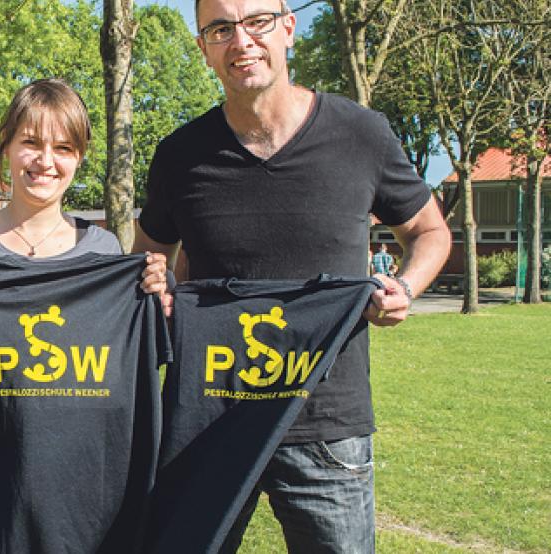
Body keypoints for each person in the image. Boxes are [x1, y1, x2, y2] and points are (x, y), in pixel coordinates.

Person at [132, 0, 451, 552]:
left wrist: (406, 288)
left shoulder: (361, 133)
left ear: (287, 29)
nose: (242, 42)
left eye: (256, 22)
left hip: (327, 424)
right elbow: (149, 262)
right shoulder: (180, 156)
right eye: (221, 29)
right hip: (211, 417)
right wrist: (157, 290)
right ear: (204, 47)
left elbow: (429, 230)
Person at [0, 77, 168, 552]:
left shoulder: (106, 252)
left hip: (85, 495)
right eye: (31, 143)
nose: (46, 161)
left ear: (79, 158)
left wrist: (152, 294)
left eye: (63, 147)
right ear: (5, 147)